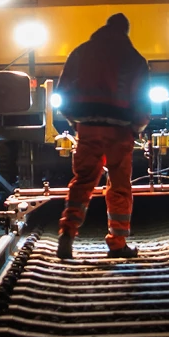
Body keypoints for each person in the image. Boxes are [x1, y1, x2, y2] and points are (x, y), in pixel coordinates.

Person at [55, 13, 151, 260]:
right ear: (124, 32)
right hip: (120, 131)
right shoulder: (135, 59)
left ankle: (67, 233)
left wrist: (75, 120)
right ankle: (117, 244)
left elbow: (63, 93)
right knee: (119, 186)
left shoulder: (80, 53)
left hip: (88, 127)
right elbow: (141, 101)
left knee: (83, 181)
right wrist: (138, 127)